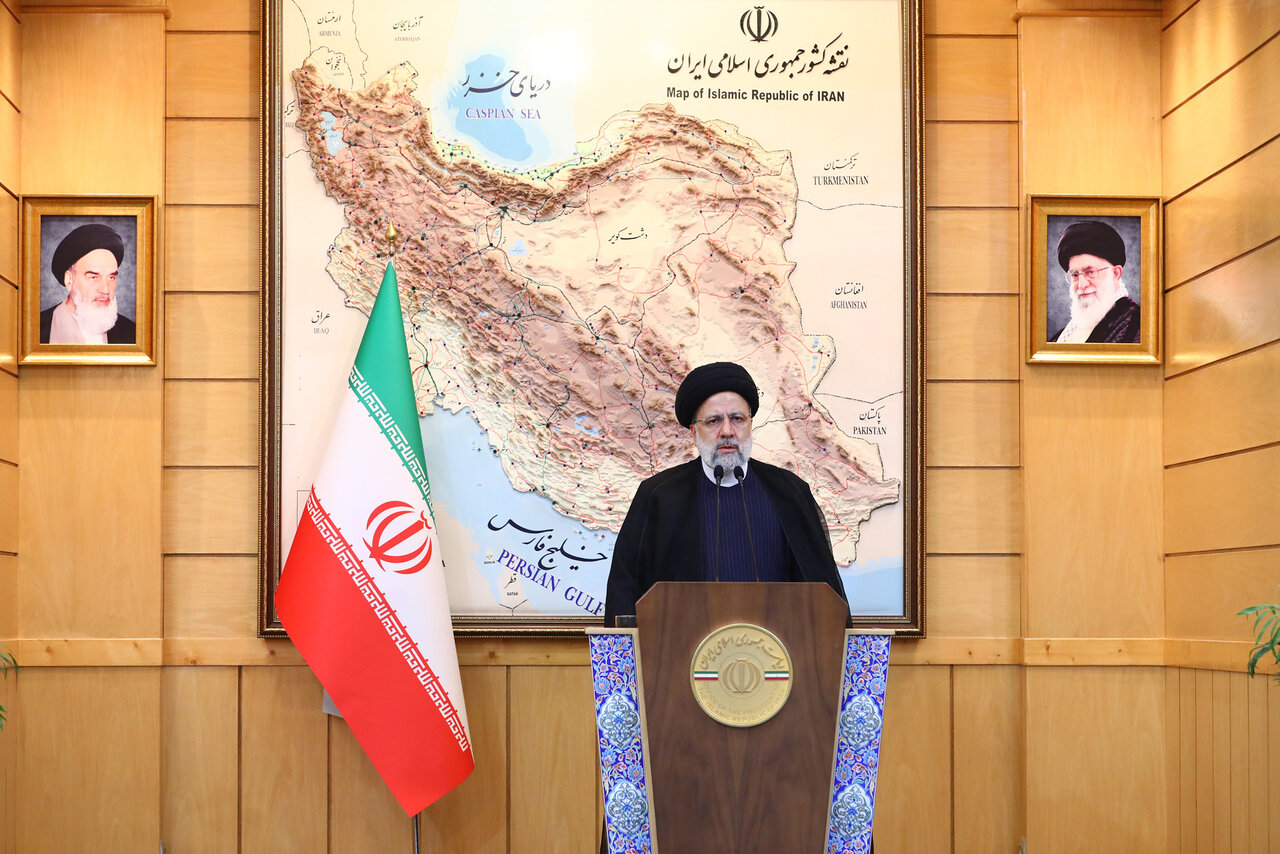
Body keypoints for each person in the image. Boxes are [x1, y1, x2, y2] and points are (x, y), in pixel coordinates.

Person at [603, 360, 847, 625]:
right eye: (714, 421)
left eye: (737, 419)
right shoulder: (658, 497)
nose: (727, 431)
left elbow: (826, 597)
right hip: (683, 648)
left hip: (779, 649)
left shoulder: (790, 492)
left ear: (750, 424)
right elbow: (624, 593)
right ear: (694, 431)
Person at [40, 223, 136, 345]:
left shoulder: (131, 332)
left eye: (111, 277)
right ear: (69, 280)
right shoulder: (36, 330)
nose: (105, 290)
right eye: (94, 277)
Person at [1050, 220, 1140, 344]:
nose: (1081, 285)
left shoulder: (1136, 325)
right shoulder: (1066, 333)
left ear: (1115, 273)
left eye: (1091, 272)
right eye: (1075, 275)